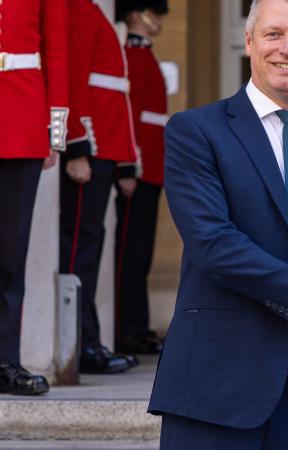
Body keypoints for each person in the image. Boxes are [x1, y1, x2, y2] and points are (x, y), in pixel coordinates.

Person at [148, 1, 288, 449]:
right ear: (249, 41)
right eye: (274, 34)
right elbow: (215, 246)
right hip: (217, 389)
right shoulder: (195, 132)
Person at [63, 0, 139, 374]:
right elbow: (73, 78)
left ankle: (88, 339)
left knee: (90, 246)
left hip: (103, 146)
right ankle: (81, 343)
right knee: (80, 249)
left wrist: (124, 158)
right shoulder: (79, 10)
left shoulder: (92, 11)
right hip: (90, 147)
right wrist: (76, 144)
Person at [0, 0, 68, 396]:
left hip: (21, 119)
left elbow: (56, 50)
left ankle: (6, 360)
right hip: (20, 116)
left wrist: (54, 133)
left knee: (11, 254)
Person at [113, 0, 170, 356]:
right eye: (155, 11)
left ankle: (136, 326)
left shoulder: (143, 54)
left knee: (140, 254)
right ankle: (125, 330)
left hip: (150, 168)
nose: (159, 18)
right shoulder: (132, 55)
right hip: (138, 167)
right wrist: (127, 165)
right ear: (137, 13)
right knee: (129, 256)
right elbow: (129, 116)